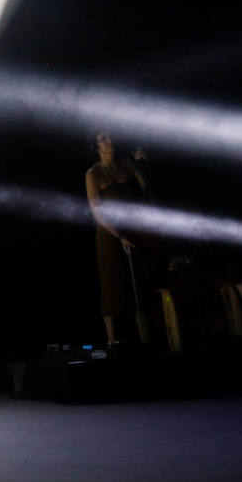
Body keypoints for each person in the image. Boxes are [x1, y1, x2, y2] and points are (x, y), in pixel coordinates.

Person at [84, 133, 148, 347]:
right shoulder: (93, 173)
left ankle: (145, 337)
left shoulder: (125, 164)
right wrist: (119, 236)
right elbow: (96, 211)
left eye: (110, 136)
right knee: (112, 282)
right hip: (109, 233)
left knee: (137, 282)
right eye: (103, 138)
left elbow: (144, 188)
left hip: (132, 227)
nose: (109, 140)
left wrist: (140, 164)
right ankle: (112, 340)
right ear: (96, 146)